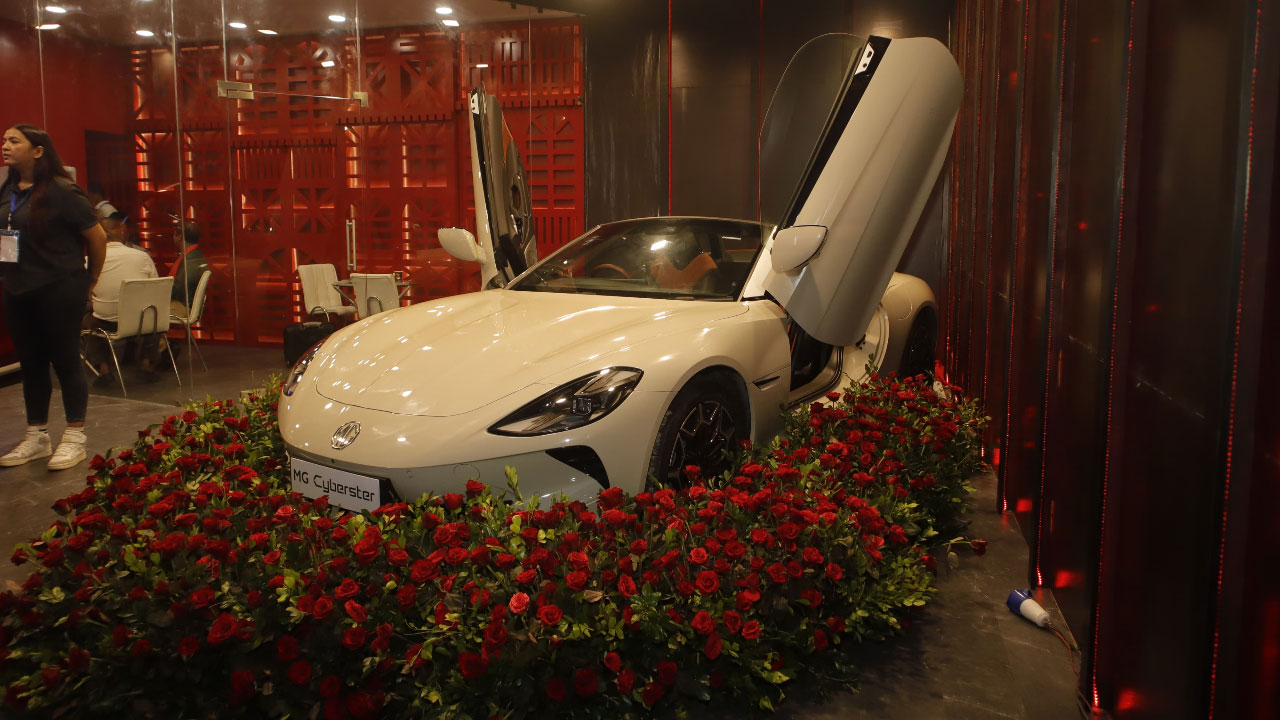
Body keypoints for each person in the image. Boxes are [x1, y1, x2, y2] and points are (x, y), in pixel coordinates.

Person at [0, 124, 107, 470]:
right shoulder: (8, 189)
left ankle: (75, 436)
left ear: (38, 150)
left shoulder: (62, 190)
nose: (5, 145)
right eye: (4, 140)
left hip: (60, 287)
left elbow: (98, 237)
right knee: (31, 363)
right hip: (17, 288)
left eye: (14, 141)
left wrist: (90, 279)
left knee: (65, 360)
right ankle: (37, 436)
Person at [83, 214, 162, 386]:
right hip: (139, 321)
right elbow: (155, 288)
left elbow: (84, 293)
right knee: (154, 314)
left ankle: (103, 369)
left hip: (106, 322)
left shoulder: (89, 261)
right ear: (122, 232)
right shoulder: (142, 257)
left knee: (88, 321)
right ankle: (146, 364)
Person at [169, 220, 207, 320]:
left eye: (174, 234)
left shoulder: (189, 259)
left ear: (180, 236)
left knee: (146, 313)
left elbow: (180, 289)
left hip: (181, 307)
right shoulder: (195, 255)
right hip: (187, 305)